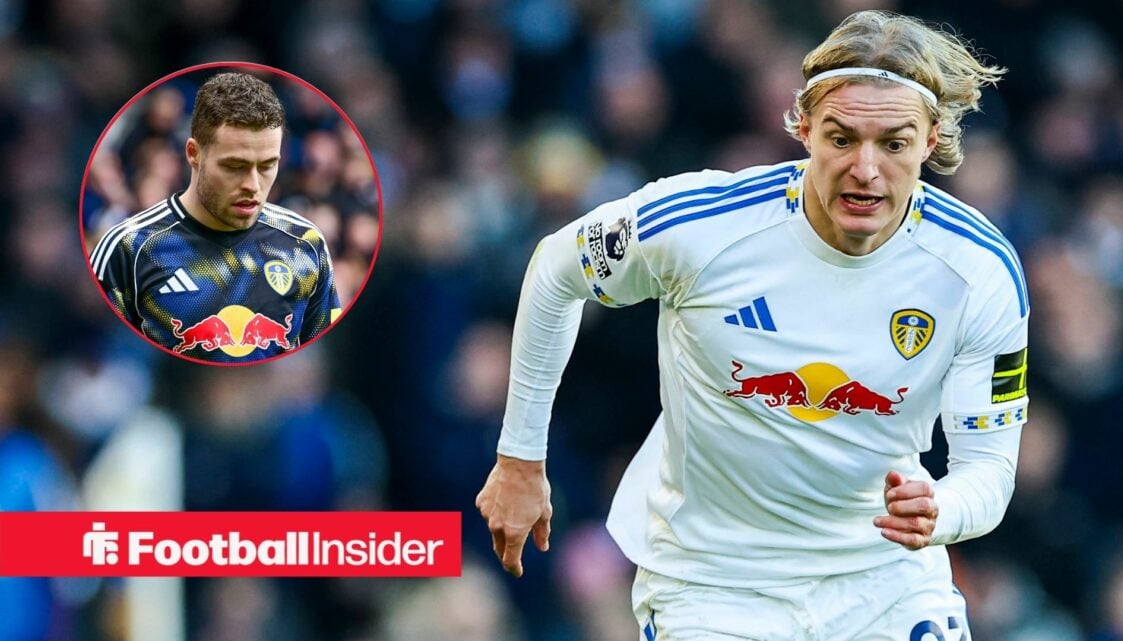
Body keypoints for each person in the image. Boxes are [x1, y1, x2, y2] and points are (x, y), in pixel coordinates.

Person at [477, 10, 1028, 640]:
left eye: (894, 143)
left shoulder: (977, 270)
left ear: (930, 141)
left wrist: (943, 509)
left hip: (882, 578)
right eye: (841, 138)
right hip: (713, 582)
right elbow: (556, 270)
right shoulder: (701, 226)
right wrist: (520, 456)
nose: (866, 169)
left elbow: (990, 467)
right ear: (801, 127)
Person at [88, 71, 341, 363]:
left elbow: (314, 347)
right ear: (195, 155)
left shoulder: (306, 246)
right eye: (233, 164)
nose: (251, 183)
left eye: (266, 165)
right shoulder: (129, 246)